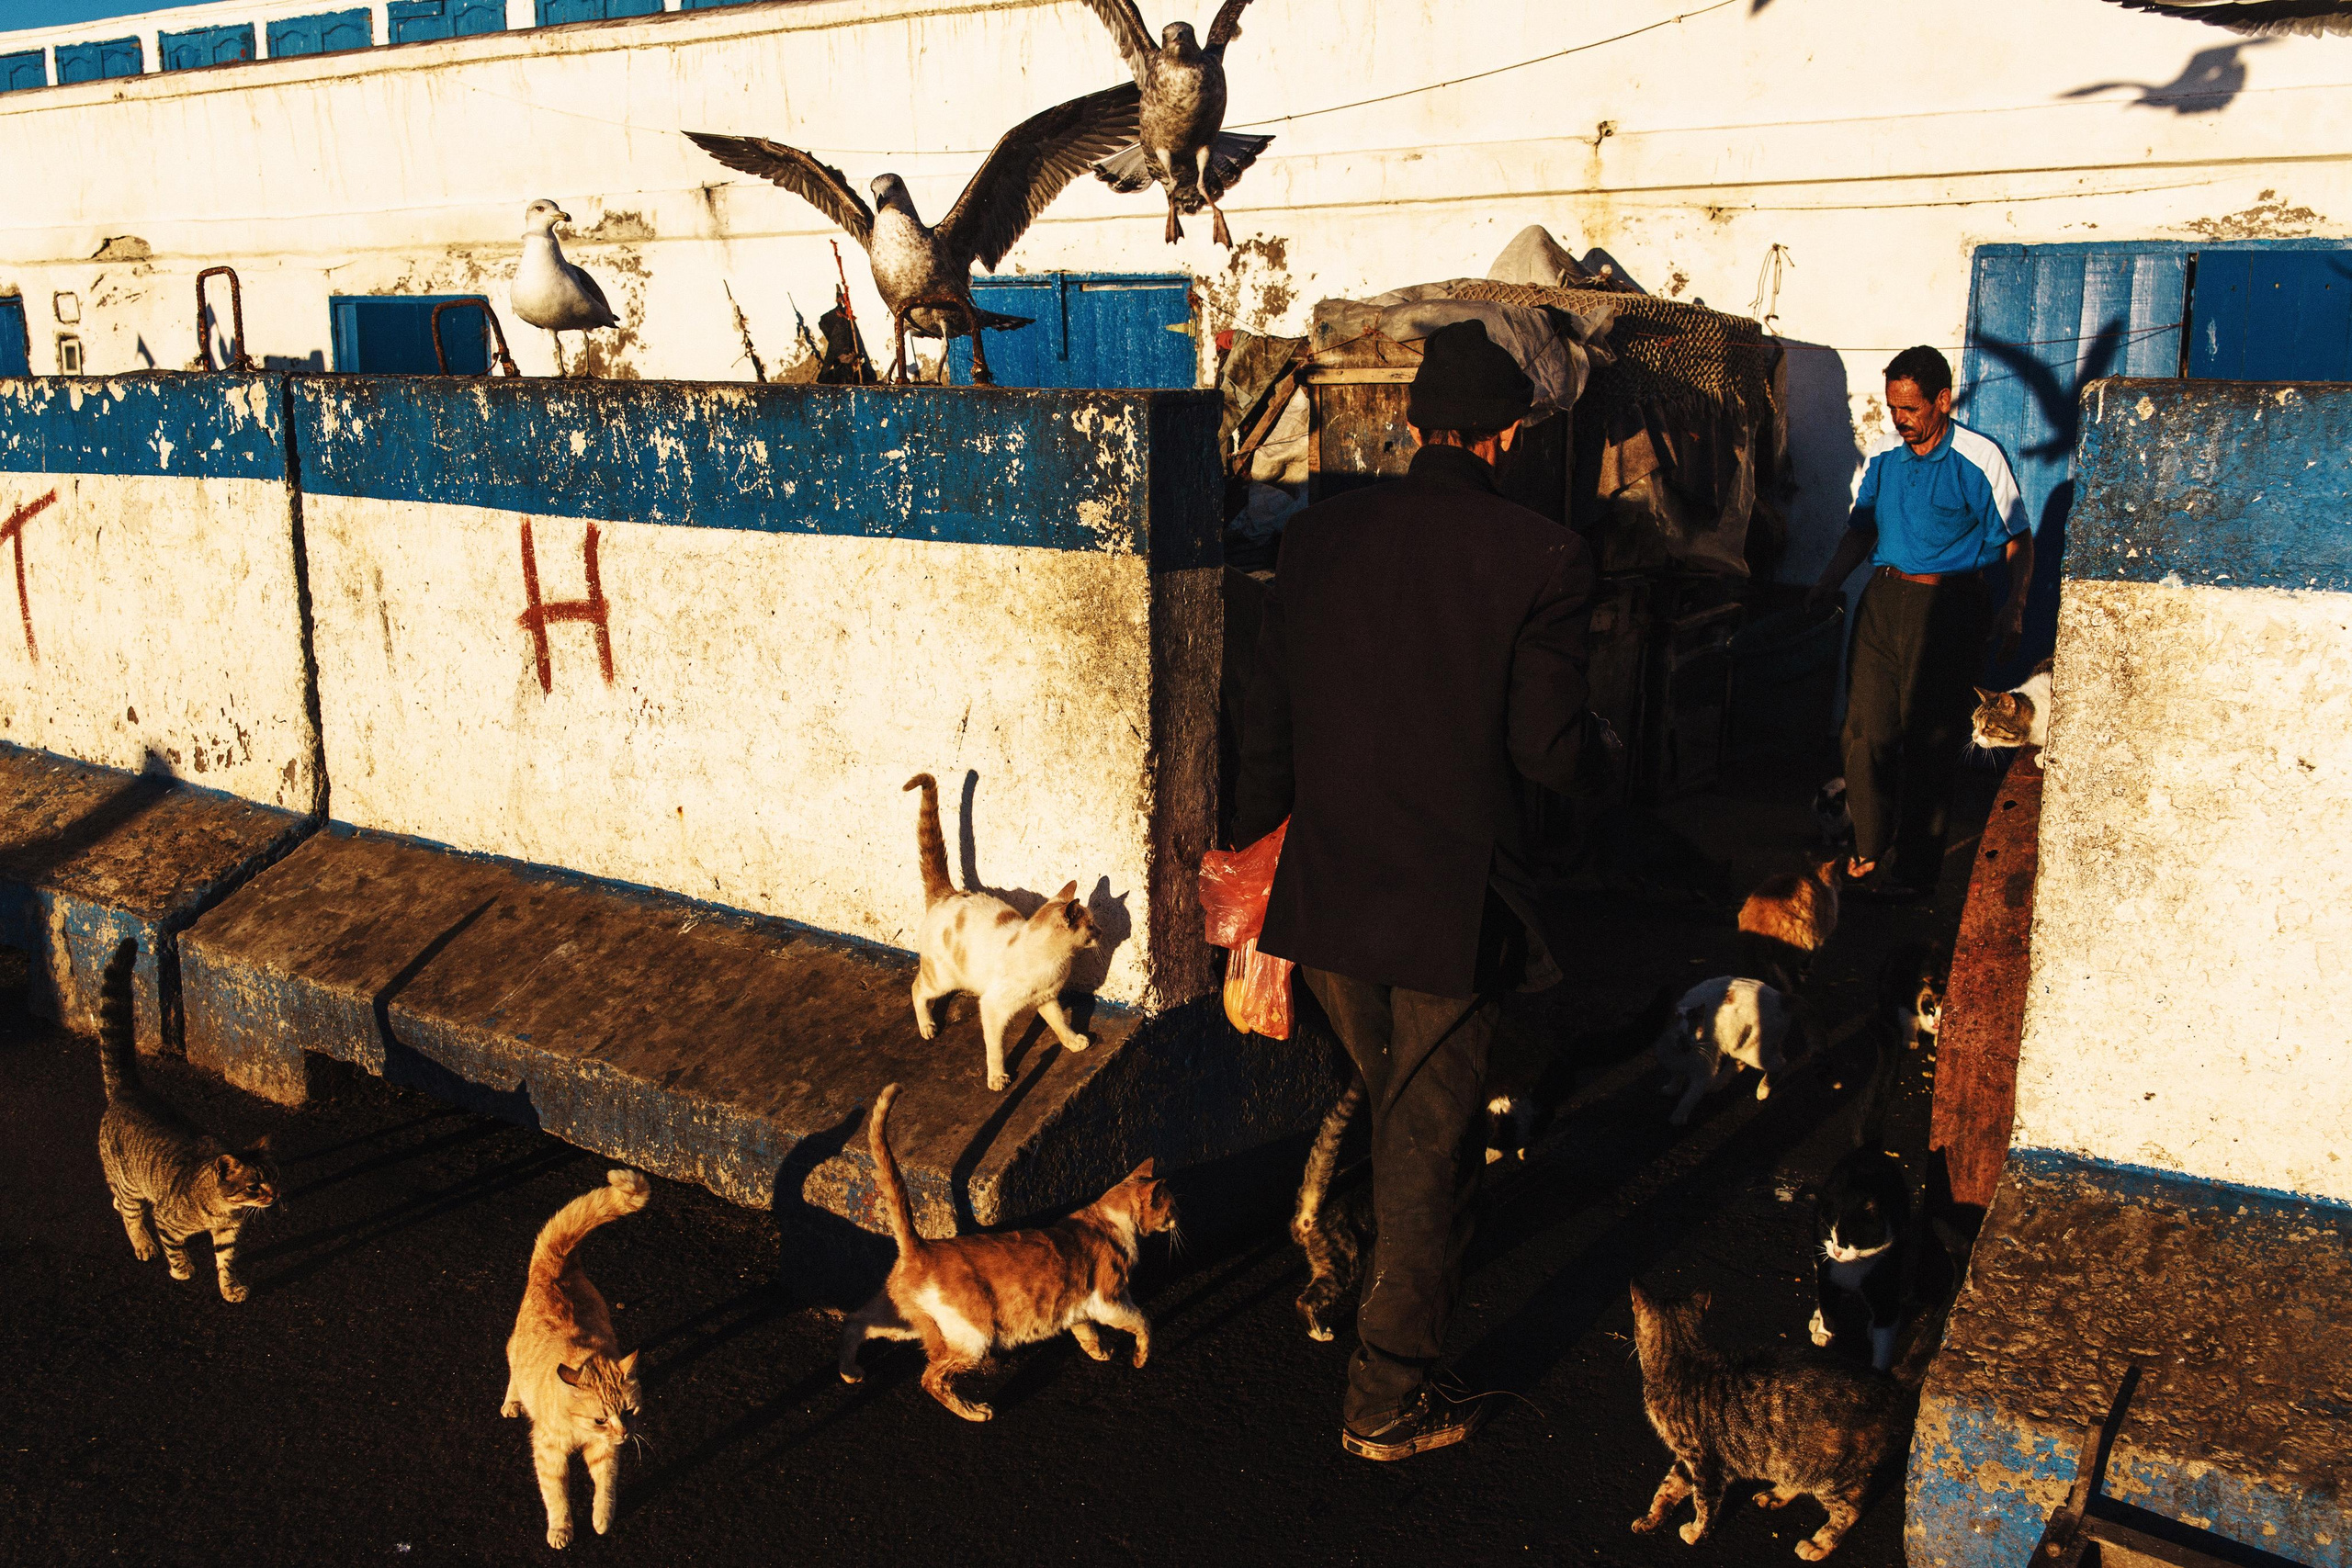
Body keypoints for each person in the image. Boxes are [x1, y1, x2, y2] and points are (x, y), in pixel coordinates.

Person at [1232, 320, 1595, 1461]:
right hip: (1448, 905)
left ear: (1408, 424)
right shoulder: (1541, 556)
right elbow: (1550, 755)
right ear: (1501, 441)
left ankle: (1393, 1268)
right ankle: (1387, 1395)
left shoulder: (1316, 541)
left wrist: (1253, 851)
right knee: (1427, 1138)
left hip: (1331, 895)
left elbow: (1269, 737)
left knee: (1402, 1110)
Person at [1807, 345, 2030, 900]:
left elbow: (2016, 540)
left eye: (1911, 408)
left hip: (1952, 607)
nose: (1900, 419)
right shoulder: (1884, 456)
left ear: (1942, 400)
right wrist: (1826, 582)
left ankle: (1916, 869)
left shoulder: (1981, 458)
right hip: (1885, 600)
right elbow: (1862, 530)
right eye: (1892, 407)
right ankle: (1868, 845)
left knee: (1931, 739)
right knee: (1864, 730)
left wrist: (2016, 606)